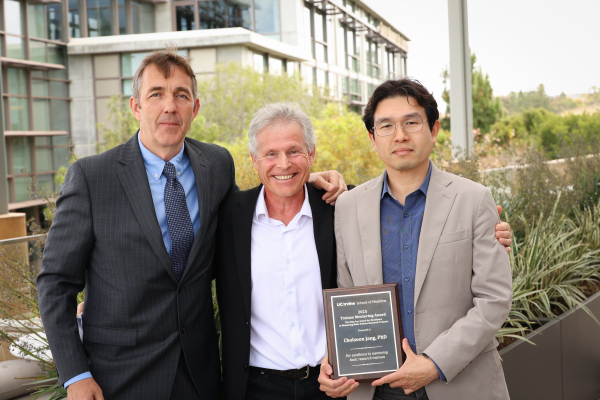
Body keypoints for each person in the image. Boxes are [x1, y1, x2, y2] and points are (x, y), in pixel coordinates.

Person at [36, 49, 345, 400]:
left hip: (200, 376)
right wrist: (75, 374)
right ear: (136, 107)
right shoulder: (93, 177)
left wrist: (299, 180)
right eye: (156, 94)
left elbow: (245, 219)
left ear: (194, 108)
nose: (170, 106)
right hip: (118, 378)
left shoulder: (216, 164)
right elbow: (55, 282)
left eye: (181, 95)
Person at [215, 103, 513, 400]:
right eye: (270, 154)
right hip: (255, 387)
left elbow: (413, 230)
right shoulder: (229, 218)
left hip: (332, 385)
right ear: (254, 160)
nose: (283, 163)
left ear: (312, 154)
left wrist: (491, 233)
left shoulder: (341, 208)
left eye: (294, 151)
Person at [318, 79, 512, 400]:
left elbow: (494, 299)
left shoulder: (474, 199)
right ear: (372, 138)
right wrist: (339, 359)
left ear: (433, 130)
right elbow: (346, 297)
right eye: (386, 126)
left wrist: (434, 363)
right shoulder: (348, 207)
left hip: (459, 384)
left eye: (411, 122)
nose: (400, 135)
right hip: (377, 389)